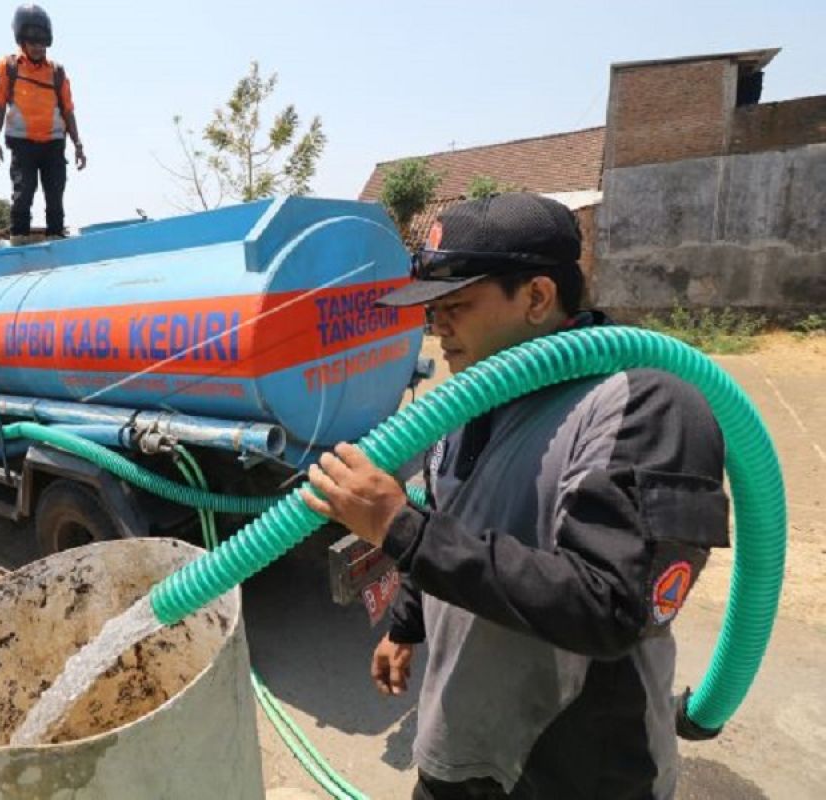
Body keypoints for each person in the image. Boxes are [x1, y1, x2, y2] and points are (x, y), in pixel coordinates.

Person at [302, 193, 729, 799]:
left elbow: (609, 608)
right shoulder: (469, 398)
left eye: (457, 305)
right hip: (460, 751)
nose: (435, 325)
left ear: (536, 298)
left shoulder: (647, 408)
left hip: (579, 772)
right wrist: (405, 627)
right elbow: (451, 517)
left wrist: (397, 527)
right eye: (431, 309)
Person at [0, 4, 86, 242]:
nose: (38, 48)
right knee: (24, 191)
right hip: (23, 144)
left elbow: (68, 110)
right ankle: (19, 237)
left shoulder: (57, 72)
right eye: (33, 43)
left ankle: (55, 236)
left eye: (43, 43)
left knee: (55, 194)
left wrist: (78, 144)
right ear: (21, 40)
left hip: (53, 143)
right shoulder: (8, 67)